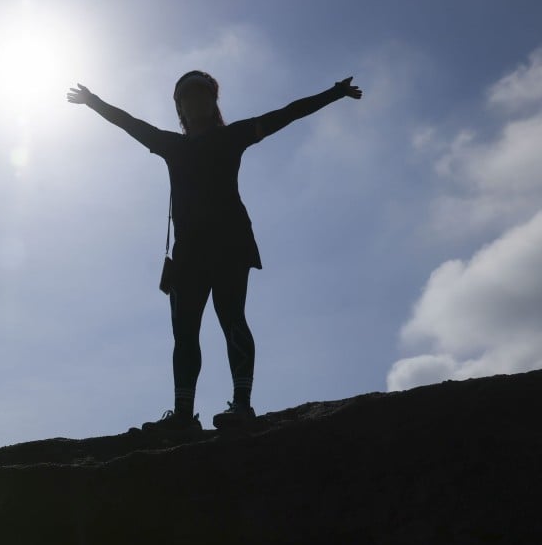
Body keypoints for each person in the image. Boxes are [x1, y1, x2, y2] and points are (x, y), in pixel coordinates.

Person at [67, 71, 362, 431]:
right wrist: (93, 101)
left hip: (230, 244)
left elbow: (286, 113)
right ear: (181, 108)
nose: (196, 103)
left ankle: (242, 406)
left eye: (202, 97)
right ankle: (183, 415)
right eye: (188, 99)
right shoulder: (171, 145)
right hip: (188, 252)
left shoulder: (232, 136)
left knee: (232, 318)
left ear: (213, 103)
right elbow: (129, 123)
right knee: (185, 332)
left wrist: (333, 93)